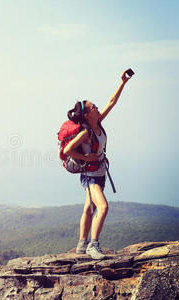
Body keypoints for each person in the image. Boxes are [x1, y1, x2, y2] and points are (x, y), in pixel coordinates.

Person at [63, 69, 132, 259]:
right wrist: (87, 159)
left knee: (89, 208)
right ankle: (93, 246)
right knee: (102, 207)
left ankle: (81, 245)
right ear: (86, 115)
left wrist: (123, 82)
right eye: (93, 107)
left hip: (100, 172)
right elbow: (67, 150)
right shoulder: (85, 133)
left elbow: (112, 102)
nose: (97, 108)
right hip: (90, 175)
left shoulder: (98, 123)